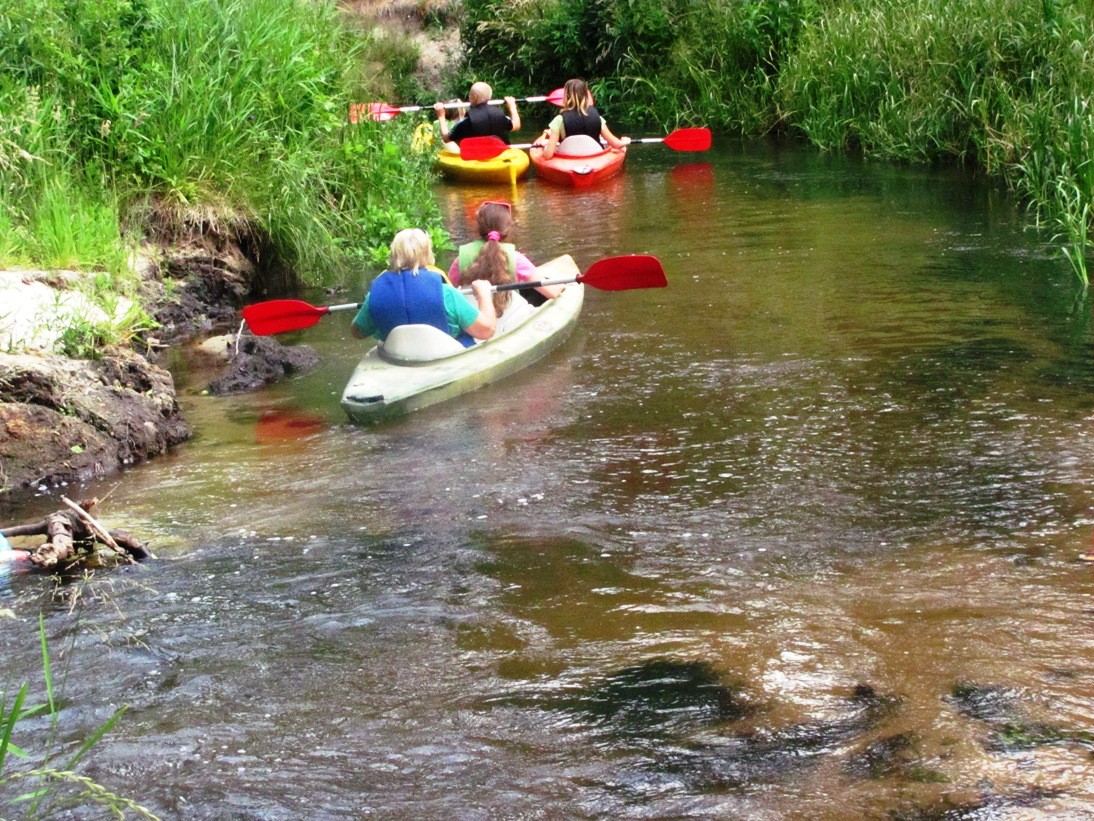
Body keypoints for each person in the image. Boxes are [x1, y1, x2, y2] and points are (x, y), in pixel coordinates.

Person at [352, 228, 495, 348]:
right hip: (445, 355)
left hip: (398, 357)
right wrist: (485, 295)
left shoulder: (375, 297)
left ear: (393, 255)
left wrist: (370, 305)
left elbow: (357, 332)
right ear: (428, 254)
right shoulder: (446, 294)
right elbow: (486, 331)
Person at [448, 201, 562, 311]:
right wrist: (561, 286)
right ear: (507, 230)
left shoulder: (460, 258)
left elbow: (449, 292)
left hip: (474, 322)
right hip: (510, 320)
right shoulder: (517, 259)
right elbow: (551, 292)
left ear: (478, 228)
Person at [534, 78, 630, 159]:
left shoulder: (558, 120)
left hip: (568, 159)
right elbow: (616, 144)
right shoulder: (598, 118)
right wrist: (625, 141)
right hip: (594, 157)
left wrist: (546, 145)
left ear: (566, 97)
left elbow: (548, 155)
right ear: (585, 96)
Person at [434, 82, 520, 151]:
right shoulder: (500, 115)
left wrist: (441, 116)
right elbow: (516, 126)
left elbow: (446, 138)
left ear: (475, 97)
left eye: (470, 95)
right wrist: (512, 107)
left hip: (477, 158)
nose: (468, 96)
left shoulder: (467, 121)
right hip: (500, 155)